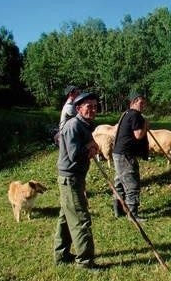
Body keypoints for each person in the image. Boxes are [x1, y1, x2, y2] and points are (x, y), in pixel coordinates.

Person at [54, 92, 100, 269]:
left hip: (76, 177)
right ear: (79, 108)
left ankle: (61, 255)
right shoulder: (74, 125)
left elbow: (87, 147)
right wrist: (90, 147)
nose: (93, 109)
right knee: (81, 220)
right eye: (89, 106)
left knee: (66, 217)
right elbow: (74, 155)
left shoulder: (85, 125)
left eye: (95, 106)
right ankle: (85, 262)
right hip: (70, 178)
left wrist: (91, 147)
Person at [112, 91, 149, 222]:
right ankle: (132, 215)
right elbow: (138, 135)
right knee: (131, 183)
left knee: (120, 182)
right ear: (133, 101)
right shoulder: (135, 115)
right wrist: (145, 125)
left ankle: (118, 210)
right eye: (141, 102)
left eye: (144, 103)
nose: (143, 105)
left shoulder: (126, 114)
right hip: (126, 154)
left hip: (118, 152)